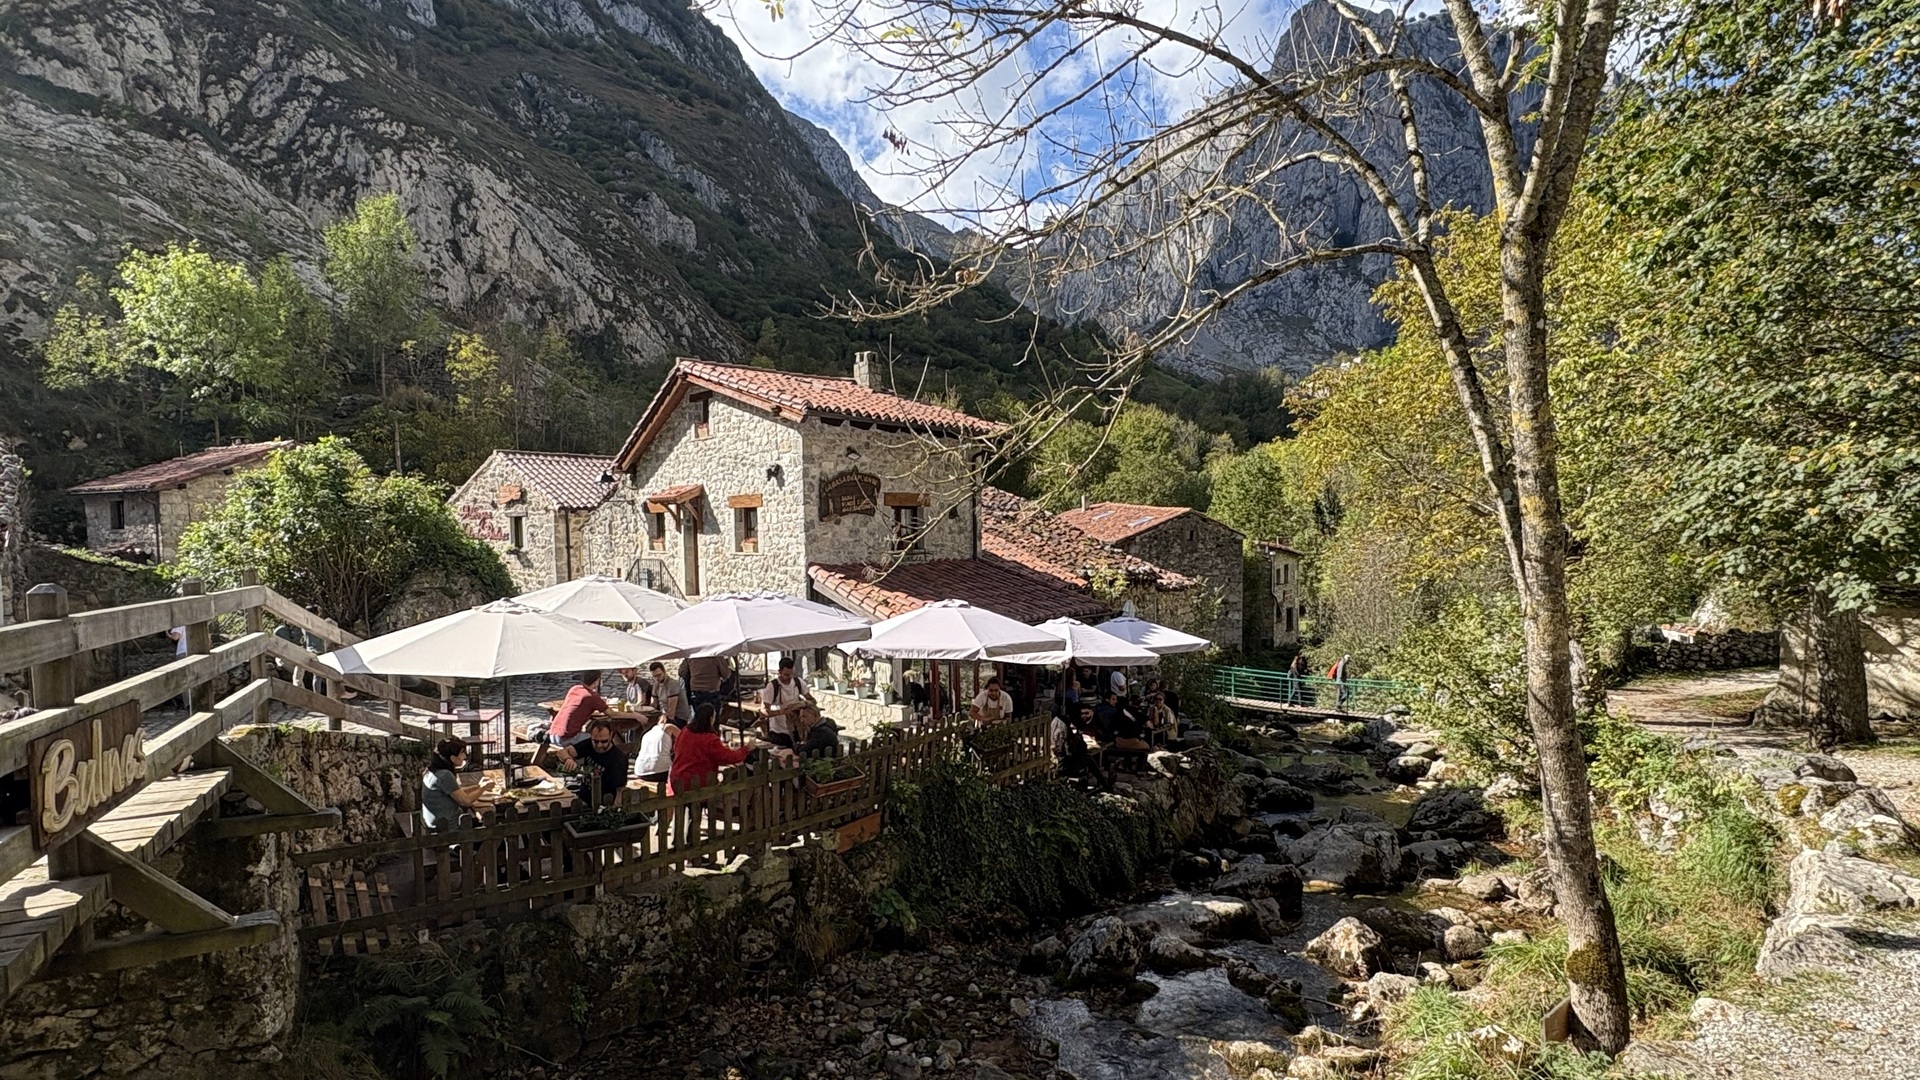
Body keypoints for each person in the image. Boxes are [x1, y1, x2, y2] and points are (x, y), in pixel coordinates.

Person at [668, 705, 753, 796]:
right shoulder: (710, 739)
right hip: (697, 783)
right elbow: (728, 757)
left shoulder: (685, 731)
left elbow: (676, 747)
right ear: (711, 718)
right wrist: (746, 749)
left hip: (677, 779)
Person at [421, 738, 494, 831]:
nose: (465, 756)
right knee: (494, 833)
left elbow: (457, 791)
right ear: (452, 758)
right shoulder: (444, 775)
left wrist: (478, 786)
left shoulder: (432, 771)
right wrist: (483, 788)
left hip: (435, 825)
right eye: (462, 753)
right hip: (449, 829)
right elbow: (466, 801)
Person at [555, 718, 628, 804]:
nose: (599, 745)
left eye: (604, 741)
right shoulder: (588, 744)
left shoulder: (618, 758)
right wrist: (568, 759)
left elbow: (620, 790)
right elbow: (562, 752)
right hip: (583, 798)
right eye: (595, 741)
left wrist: (614, 811)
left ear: (611, 736)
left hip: (604, 802)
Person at [759, 658, 816, 748]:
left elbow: (813, 701)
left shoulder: (798, 682)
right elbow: (764, 711)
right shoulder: (773, 686)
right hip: (779, 732)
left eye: (791, 674)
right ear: (779, 672)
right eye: (786, 675)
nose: (788, 678)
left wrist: (802, 704)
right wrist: (781, 712)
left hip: (797, 730)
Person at [540, 671, 606, 747]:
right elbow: (611, 713)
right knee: (599, 740)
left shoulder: (575, 689)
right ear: (597, 681)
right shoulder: (592, 697)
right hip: (567, 737)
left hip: (553, 734)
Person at [632, 712, 679, 787]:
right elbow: (684, 740)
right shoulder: (669, 727)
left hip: (640, 771)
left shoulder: (648, 733)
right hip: (661, 770)